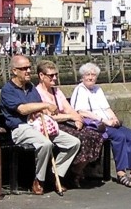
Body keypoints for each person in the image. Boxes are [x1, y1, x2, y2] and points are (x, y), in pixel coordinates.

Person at [0, 54, 80, 196]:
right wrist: (45, 105)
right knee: (45, 144)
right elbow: (22, 109)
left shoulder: (30, 87)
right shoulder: (8, 90)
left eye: (29, 67)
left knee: (73, 143)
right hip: (20, 128)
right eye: (24, 68)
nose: (28, 71)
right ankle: (39, 180)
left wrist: (41, 110)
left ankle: (55, 174)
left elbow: (37, 108)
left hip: (37, 124)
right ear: (14, 71)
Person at [71, 62, 131, 188]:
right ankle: (121, 172)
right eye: (88, 75)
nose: (90, 77)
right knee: (119, 136)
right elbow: (82, 112)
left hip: (107, 122)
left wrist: (114, 119)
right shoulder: (80, 90)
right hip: (94, 125)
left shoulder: (98, 89)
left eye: (93, 75)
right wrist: (105, 120)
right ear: (82, 77)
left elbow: (107, 108)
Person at [34, 59, 104, 187]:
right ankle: (68, 174)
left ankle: (76, 169)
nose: (55, 78)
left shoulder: (56, 91)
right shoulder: (37, 93)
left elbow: (69, 108)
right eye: (51, 75)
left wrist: (77, 118)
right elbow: (50, 116)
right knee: (81, 138)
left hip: (64, 122)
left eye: (56, 75)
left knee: (94, 135)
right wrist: (70, 116)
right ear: (41, 76)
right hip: (52, 126)